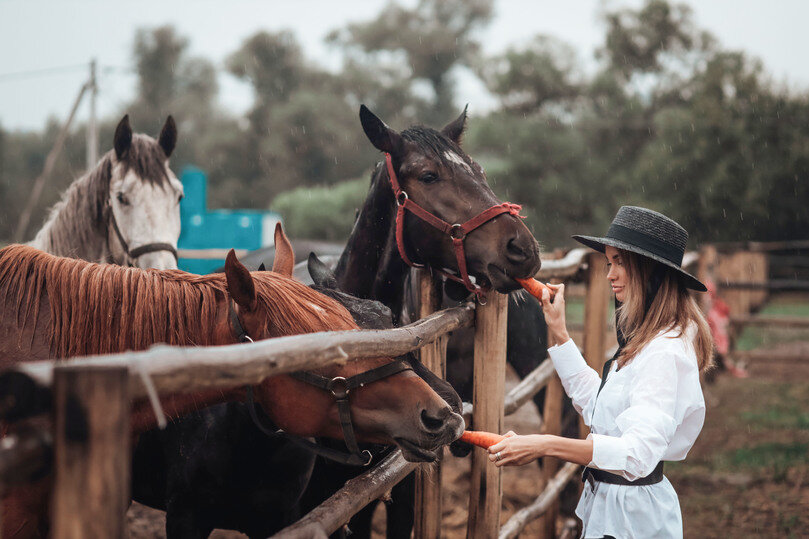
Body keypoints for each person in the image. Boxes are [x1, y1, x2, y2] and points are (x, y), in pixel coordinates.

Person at [489, 206, 713, 538]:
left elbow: (636, 455)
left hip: (632, 521)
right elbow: (600, 407)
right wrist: (560, 334)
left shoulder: (664, 351)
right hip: (615, 510)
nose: (610, 274)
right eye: (610, 262)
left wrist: (544, 444)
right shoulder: (650, 337)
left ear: (649, 272)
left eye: (620, 262)